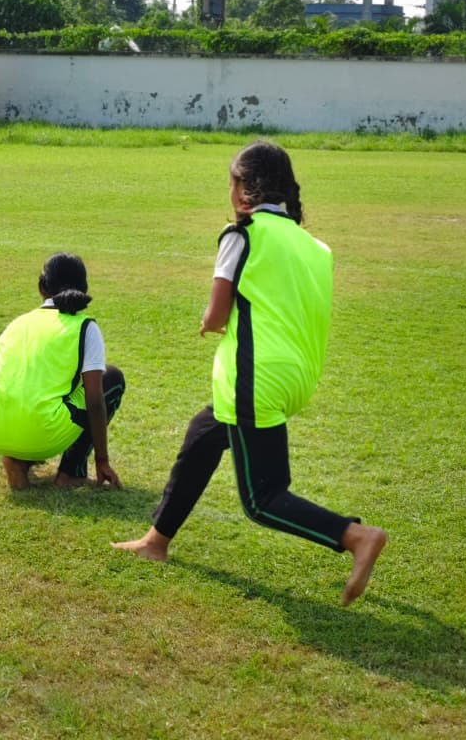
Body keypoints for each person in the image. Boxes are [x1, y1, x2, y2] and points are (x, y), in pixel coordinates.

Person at [113, 140, 386, 606]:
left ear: (244, 191)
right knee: (203, 436)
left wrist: (207, 321)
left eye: (233, 184)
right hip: (296, 376)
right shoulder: (314, 246)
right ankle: (156, 541)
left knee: (263, 499)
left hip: (254, 375)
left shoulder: (243, 233)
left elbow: (219, 314)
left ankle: (354, 536)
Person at [0, 253, 124, 490]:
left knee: (38, 393)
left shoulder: (17, 323)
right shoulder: (85, 326)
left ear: (41, 288)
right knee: (111, 378)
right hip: (42, 431)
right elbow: (95, 400)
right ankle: (71, 472)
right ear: (84, 288)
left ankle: (17, 459)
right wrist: (102, 460)